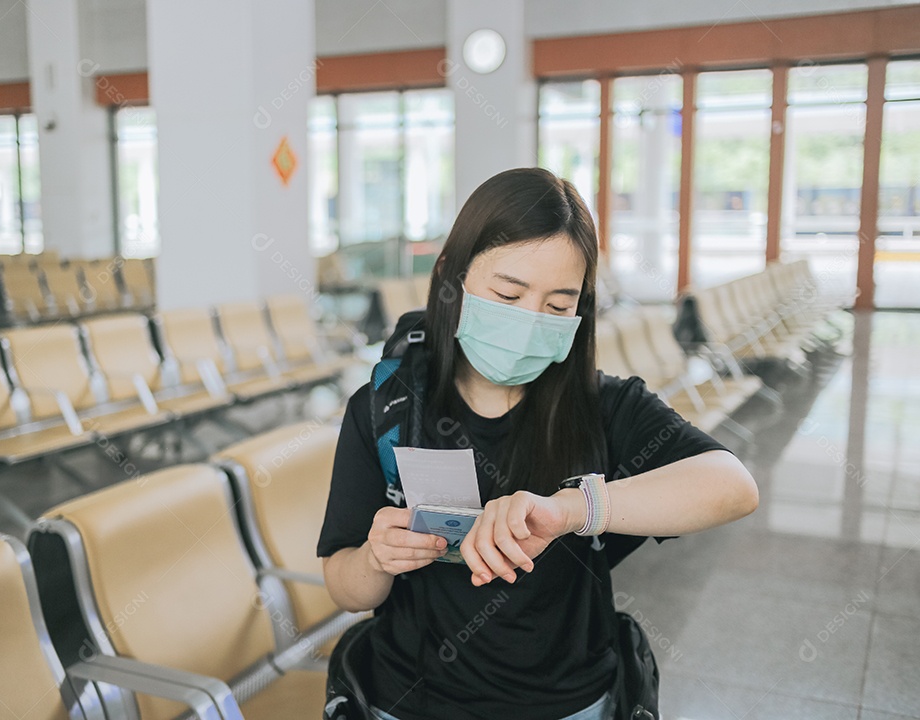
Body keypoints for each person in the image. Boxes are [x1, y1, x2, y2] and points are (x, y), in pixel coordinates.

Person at [317, 168, 759, 720]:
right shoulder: (387, 409)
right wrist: (378, 559)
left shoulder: (605, 408)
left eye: (557, 306)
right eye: (507, 294)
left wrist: (574, 509)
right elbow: (346, 588)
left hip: (570, 703)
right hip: (409, 699)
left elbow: (733, 486)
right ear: (450, 276)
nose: (529, 323)